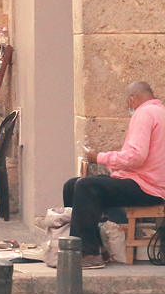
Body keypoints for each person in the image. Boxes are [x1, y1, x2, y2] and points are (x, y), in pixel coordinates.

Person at [67, 81, 165, 269]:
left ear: (131, 100)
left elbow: (136, 156)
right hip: (149, 184)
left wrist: (100, 157)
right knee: (72, 185)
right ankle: (95, 247)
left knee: (85, 186)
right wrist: (115, 168)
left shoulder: (144, 114)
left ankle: (88, 254)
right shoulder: (160, 112)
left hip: (146, 187)